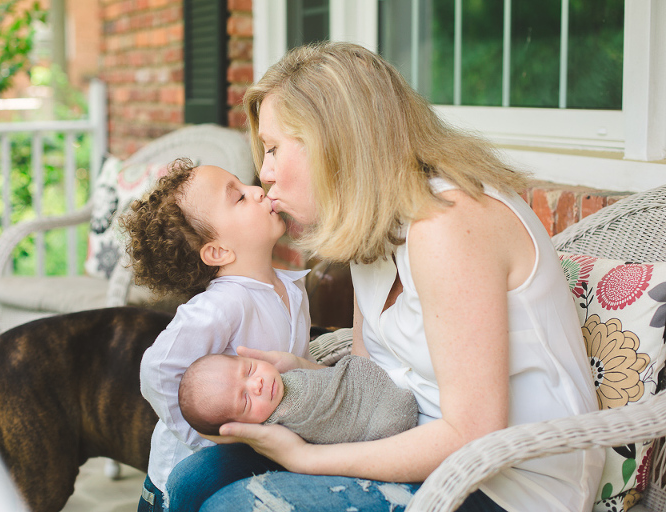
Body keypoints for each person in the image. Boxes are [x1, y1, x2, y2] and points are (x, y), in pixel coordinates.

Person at [163, 42, 604, 512]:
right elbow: (373, 375)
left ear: (333, 142)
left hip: (509, 480)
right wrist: (303, 376)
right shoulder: (372, 222)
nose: (265, 173)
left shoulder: (448, 224)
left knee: (230, 508)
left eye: (273, 149)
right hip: (409, 431)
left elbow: (473, 434)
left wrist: (307, 458)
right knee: (192, 479)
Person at [119, 158, 312, 512]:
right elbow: (157, 369)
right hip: (179, 489)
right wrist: (206, 437)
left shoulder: (291, 288)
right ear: (217, 251)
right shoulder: (221, 305)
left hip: (248, 466)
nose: (257, 190)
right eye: (238, 197)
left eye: (244, 184)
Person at [179, 353, 418, 443]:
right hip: (377, 422)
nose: (258, 384)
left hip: (368, 385)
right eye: (246, 400)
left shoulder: (285, 375)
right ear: (243, 426)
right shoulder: (275, 427)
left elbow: (332, 380)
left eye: (250, 369)